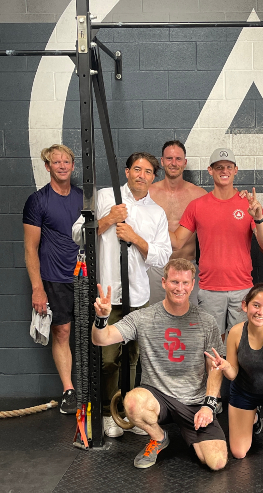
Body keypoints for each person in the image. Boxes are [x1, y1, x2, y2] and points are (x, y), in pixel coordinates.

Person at [91, 259, 228, 471]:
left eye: (185, 283)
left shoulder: (206, 321)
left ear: (192, 284)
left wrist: (208, 406)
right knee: (133, 402)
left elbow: (216, 368)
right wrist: (102, 319)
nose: (179, 288)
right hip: (158, 397)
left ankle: (190, 432)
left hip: (193, 401)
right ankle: (159, 437)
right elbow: (101, 338)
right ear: (164, 282)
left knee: (216, 462)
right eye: (174, 282)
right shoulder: (144, 317)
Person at [73, 152, 172, 437]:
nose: (142, 175)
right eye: (137, 169)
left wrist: (135, 238)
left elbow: (163, 256)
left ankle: (130, 413)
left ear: (154, 177)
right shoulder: (105, 197)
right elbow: (77, 234)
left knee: (133, 358)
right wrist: (108, 219)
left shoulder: (156, 212)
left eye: (148, 171)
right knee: (107, 359)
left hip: (138, 297)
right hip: (107, 297)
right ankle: (109, 412)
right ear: (127, 172)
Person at [170, 148, 263, 338]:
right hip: (210, 288)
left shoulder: (248, 204)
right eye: (219, 167)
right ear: (210, 170)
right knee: (212, 344)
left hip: (242, 288)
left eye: (228, 167)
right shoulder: (197, 205)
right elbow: (177, 241)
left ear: (235, 170)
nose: (224, 171)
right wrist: (150, 224)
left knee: (240, 343)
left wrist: (259, 218)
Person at [23, 144, 83, 414]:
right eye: (56, 162)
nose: (62, 166)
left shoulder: (83, 198)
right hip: (54, 278)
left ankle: (92, 390)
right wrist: (37, 288)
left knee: (91, 334)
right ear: (47, 166)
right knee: (62, 332)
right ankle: (69, 390)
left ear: (73, 165)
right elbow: (30, 249)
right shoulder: (37, 201)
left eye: (66, 161)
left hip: (83, 278)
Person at [205, 284, 263, 458]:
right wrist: (225, 366)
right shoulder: (236, 333)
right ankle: (254, 418)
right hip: (244, 392)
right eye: (256, 305)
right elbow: (233, 374)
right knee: (238, 453)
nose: (261, 312)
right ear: (245, 305)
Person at [148, 140, 207, 305]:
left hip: (188, 266)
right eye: (169, 158)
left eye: (178, 159)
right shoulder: (149, 193)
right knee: (155, 316)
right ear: (162, 161)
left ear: (185, 162)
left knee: (189, 317)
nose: (173, 163)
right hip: (157, 267)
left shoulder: (199, 195)